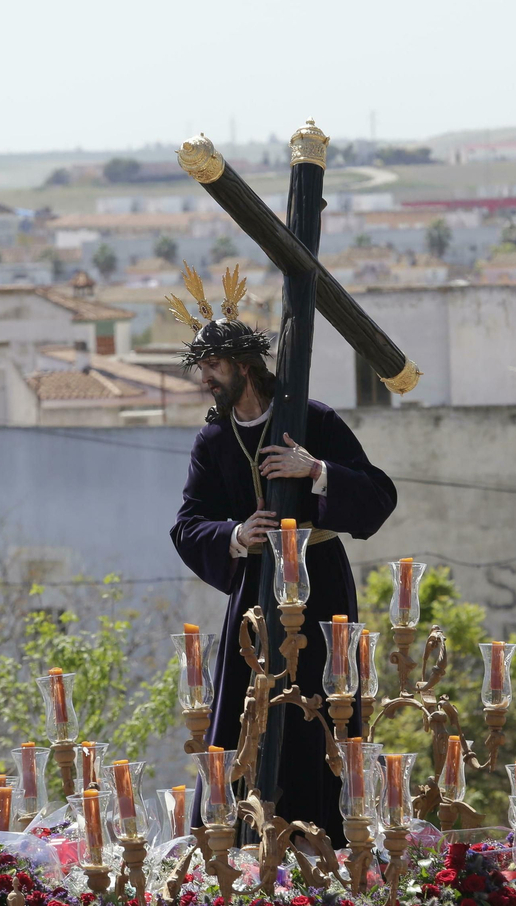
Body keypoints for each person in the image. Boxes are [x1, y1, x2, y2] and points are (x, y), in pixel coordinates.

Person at [167, 265, 397, 846]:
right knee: (251, 715)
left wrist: (315, 471)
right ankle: (242, 844)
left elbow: (377, 496)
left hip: (320, 586)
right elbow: (188, 524)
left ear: (245, 365)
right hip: (254, 594)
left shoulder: (311, 420)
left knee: (322, 707)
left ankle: (331, 840)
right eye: (200, 370)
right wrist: (238, 535)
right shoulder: (213, 440)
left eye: (214, 367)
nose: (206, 381)